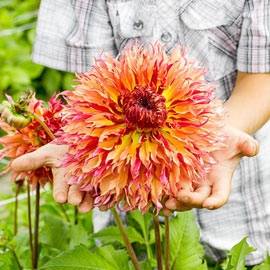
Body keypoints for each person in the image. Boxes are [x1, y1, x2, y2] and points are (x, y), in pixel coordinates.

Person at [11, 0, 270, 265]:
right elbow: (95, 81)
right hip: (123, 215)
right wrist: (81, 148)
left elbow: (263, 76)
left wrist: (220, 133)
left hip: (242, 211)